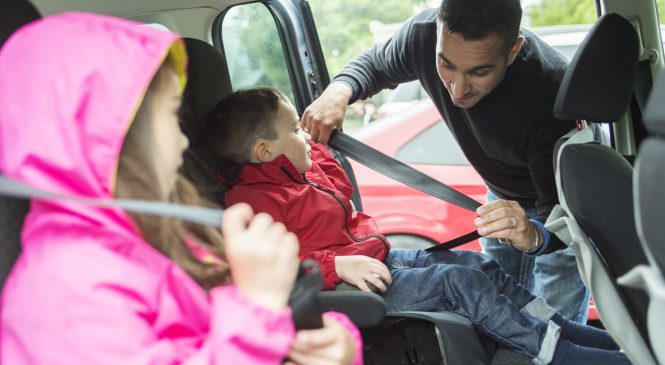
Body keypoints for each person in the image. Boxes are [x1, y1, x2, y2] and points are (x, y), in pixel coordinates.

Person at [0, 13, 361, 365]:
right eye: (172, 117)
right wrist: (259, 312)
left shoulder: (167, 239)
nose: (181, 141)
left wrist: (330, 342)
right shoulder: (63, 296)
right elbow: (246, 328)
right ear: (113, 139)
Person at [197, 86, 631, 365]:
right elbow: (263, 266)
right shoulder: (252, 203)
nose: (305, 135)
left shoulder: (301, 170)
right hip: (349, 285)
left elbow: (338, 190)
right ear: (263, 150)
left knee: (478, 266)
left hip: (380, 257)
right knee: (459, 285)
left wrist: (314, 147)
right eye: (294, 128)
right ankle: (555, 353)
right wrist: (336, 267)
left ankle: (558, 326)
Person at [300, 0, 589, 324]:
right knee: (505, 319)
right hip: (499, 200)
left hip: (558, 212)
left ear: (512, 50)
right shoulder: (423, 35)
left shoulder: (549, 91)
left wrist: (534, 236)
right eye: (446, 64)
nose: (458, 89)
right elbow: (375, 65)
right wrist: (337, 93)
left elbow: (560, 217)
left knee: (554, 335)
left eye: (479, 71)